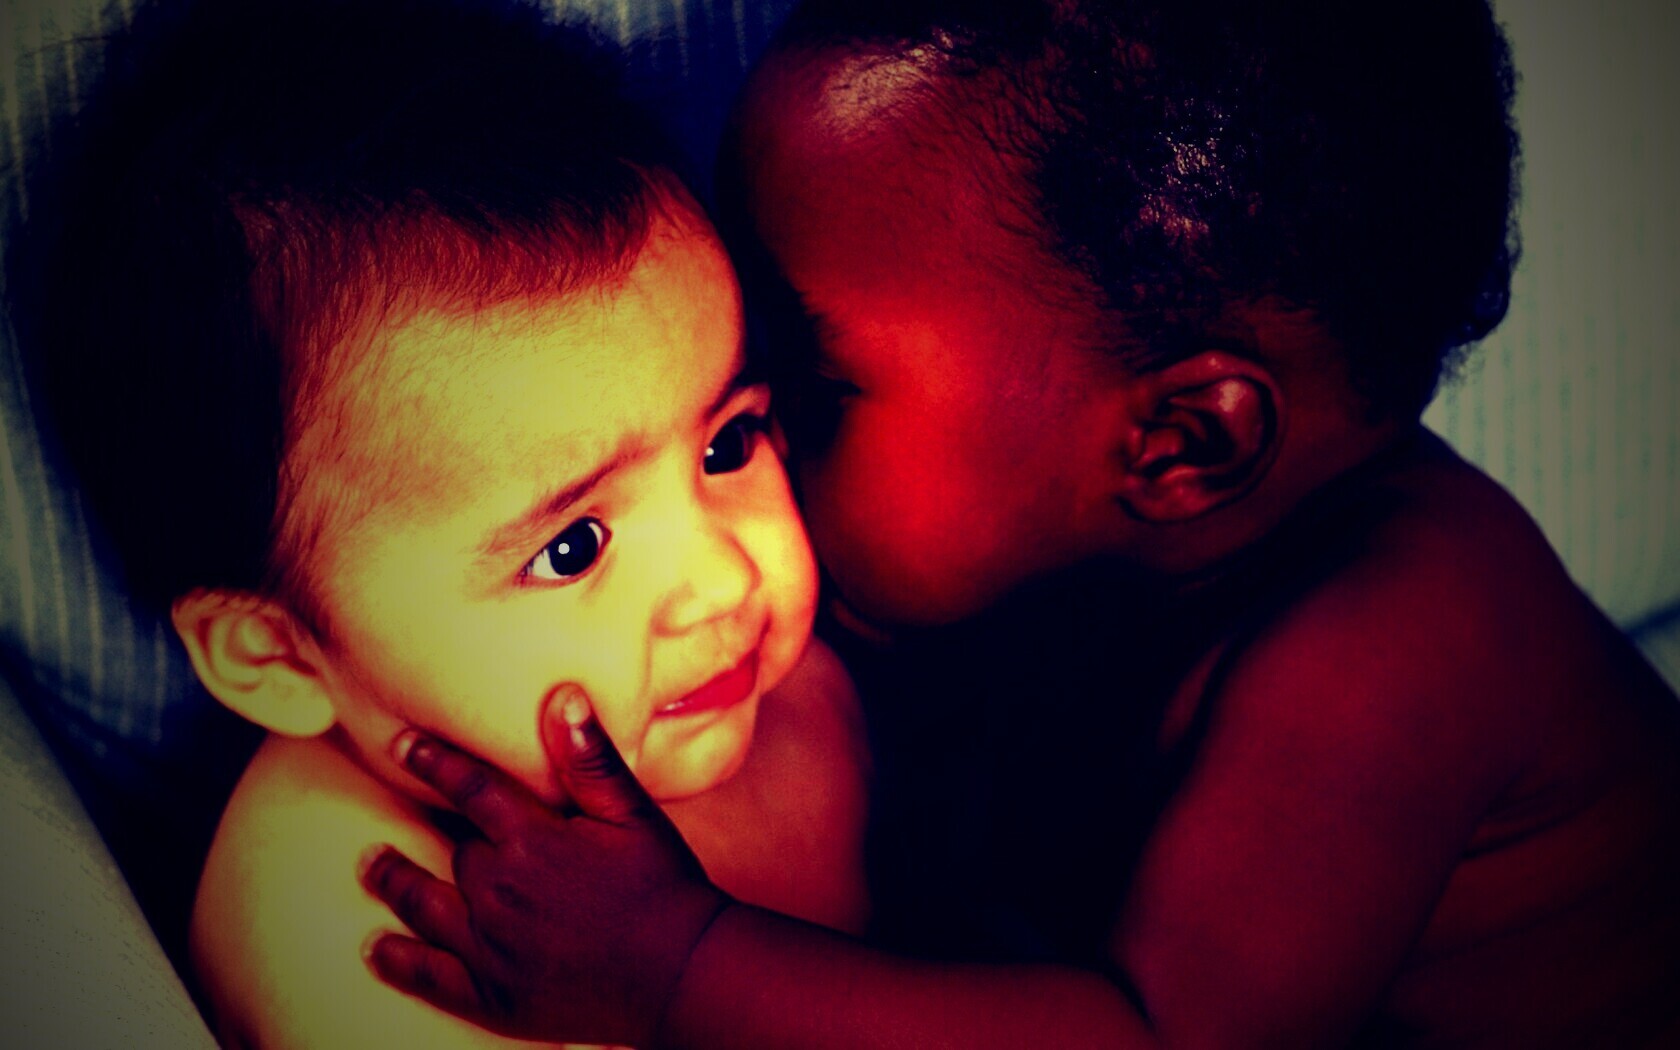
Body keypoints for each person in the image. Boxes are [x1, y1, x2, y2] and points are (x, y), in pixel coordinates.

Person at [358, 0, 1680, 1045]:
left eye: (809, 380)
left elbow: (1153, 1037)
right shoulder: (1066, 555)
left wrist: (678, 963)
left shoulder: (1399, 640)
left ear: (1179, 444)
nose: (747, 425)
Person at [5, 0, 869, 1046]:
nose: (725, 580)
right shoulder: (353, 908)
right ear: (279, 653)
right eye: (571, 549)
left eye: (726, 446)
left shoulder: (790, 689)